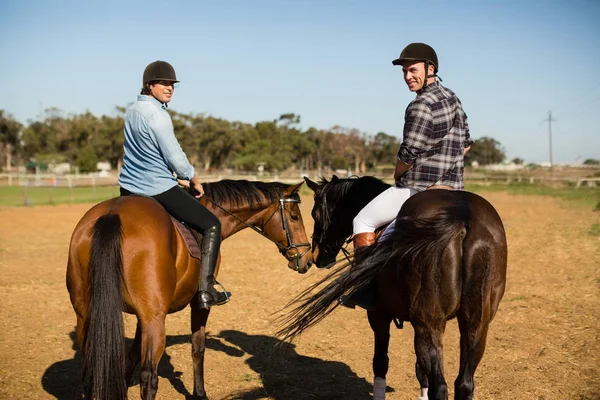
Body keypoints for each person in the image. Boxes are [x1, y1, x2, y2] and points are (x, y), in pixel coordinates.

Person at [341, 43, 473, 310]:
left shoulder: (420, 105)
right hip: (454, 189)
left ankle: (364, 287)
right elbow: (467, 143)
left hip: (419, 187)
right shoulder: (454, 98)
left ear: (430, 69)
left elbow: (409, 152)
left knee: (363, 220)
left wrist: (397, 172)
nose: (407, 76)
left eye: (412, 70)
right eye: (404, 72)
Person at [118, 60, 231, 309]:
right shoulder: (157, 115)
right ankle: (206, 291)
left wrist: (174, 175)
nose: (169, 88)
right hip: (156, 190)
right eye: (163, 83)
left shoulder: (133, 110)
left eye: (172, 84)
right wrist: (190, 176)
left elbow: (144, 152)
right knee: (212, 224)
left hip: (127, 189)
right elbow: (173, 153)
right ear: (149, 85)